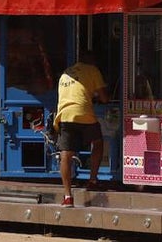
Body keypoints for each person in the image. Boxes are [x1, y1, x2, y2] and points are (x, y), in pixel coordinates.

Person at [53, 51, 109, 207]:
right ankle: (92, 180)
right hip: (84, 113)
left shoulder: (66, 73)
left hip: (64, 115)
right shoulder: (92, 70)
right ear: (91, 61)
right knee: (97, 142)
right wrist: (97, 96)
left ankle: (67, 197)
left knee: (66, 155)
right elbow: (105, 98)